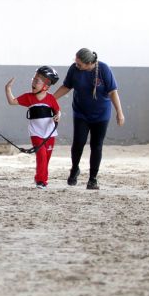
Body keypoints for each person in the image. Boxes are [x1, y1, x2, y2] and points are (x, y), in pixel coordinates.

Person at [53, 48, 125, 190]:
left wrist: (119, 112)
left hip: (101, 115)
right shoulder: (74, 69)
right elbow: (66, 86)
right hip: (81, 113)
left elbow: (112, 92)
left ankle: (93, 179)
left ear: (89, 63)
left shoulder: (104, 69)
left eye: (80, 64)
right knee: (78, 143)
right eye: (76, 62)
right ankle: (74, 169)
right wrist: (51, 99)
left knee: (96, 145)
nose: (77, 65)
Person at [5, 66, 62, 188]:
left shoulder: (51, 98)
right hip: (36, 133)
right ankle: (40, 181)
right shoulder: (28, 97)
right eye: (34, 79)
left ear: (46, 85)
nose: (33, 82)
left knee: (46, 158)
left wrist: (58, 115)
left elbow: (58, 111)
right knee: (41, 155)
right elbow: (12, 101)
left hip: (50, 134)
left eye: (37, 81)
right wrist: (8, 88)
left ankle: (42, 179)